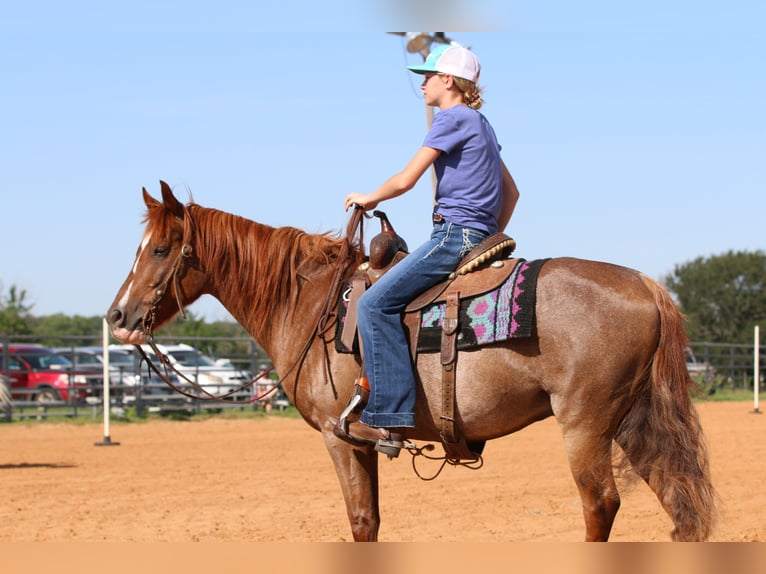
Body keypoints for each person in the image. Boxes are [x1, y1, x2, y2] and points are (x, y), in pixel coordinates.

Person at [333, 44, 520, 457]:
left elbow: (405, 180)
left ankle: (389, 419)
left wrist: (366, 198)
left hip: (452, 236)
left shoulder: (451, 118)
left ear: (448, 81)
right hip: (476, 235)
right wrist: (489, 234)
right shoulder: (482, 124)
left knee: (373, 306)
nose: (422, 83)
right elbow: (512, 192)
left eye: (429, 76)